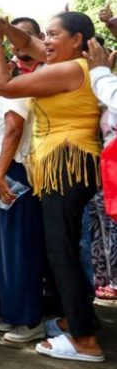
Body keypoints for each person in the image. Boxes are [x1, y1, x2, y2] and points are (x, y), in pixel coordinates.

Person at [0, 11, 104, 362]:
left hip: (66, 162)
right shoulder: (72, 62)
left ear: (76, 40)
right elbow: (29, 43)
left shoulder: (68, 69)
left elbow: (5, 86)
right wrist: (7, 30)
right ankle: (78, 319)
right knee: (60, 251)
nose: (44, 41)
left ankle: (84, 341)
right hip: (64, 164)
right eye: (44, 35)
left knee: (61, 254)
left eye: (53, 35)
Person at [0, 40, 44, 344]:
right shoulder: (9, 92)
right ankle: (11, 312)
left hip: (12, 169)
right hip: (3, 167)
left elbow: (14, 130)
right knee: (4, 244)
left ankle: (28, 318)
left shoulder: (19, 87)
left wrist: (1, 173)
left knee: (18, 245)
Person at [85, 38, 117, 301]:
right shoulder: (100, 95)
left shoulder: (107, 85)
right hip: (102, 173)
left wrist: (101, 73)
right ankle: (103, 279)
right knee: (100, 228)